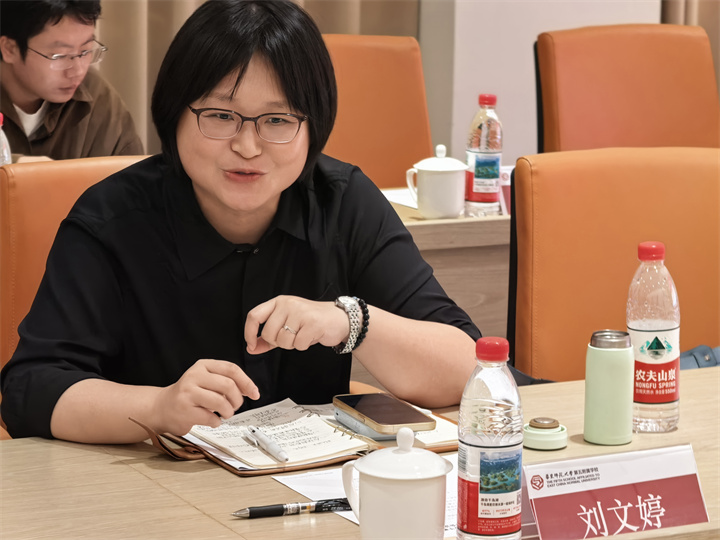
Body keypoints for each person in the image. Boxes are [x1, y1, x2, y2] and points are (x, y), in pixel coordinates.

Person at [0, 0, 480, 443]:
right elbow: (30, 390)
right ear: (174, 115)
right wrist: (157, 408)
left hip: (306, 493)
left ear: (313, 125)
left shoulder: (343, 201)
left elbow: (473, 370)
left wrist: (350, 321)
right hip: (150, 486)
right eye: (220, 115)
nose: (247, 147)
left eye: (277, 120)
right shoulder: (111, 218)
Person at [0, 0, 143, 159]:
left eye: (85, 51)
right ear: (9, 49)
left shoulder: (97, 96)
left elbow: (133, 171)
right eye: (60, 56)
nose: (78, 71)